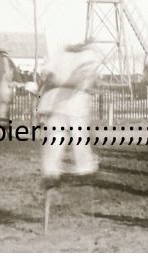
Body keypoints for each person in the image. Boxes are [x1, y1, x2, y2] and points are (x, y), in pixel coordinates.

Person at [38, 42, 100, 189]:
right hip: (74, 103)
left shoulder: (60, 56)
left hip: (59, 103)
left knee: (56, 137)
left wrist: (56, 82)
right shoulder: (87, 56)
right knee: (78, 137)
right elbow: (83, 79)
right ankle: (84, 170)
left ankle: (51, 172)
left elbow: (46, 74)